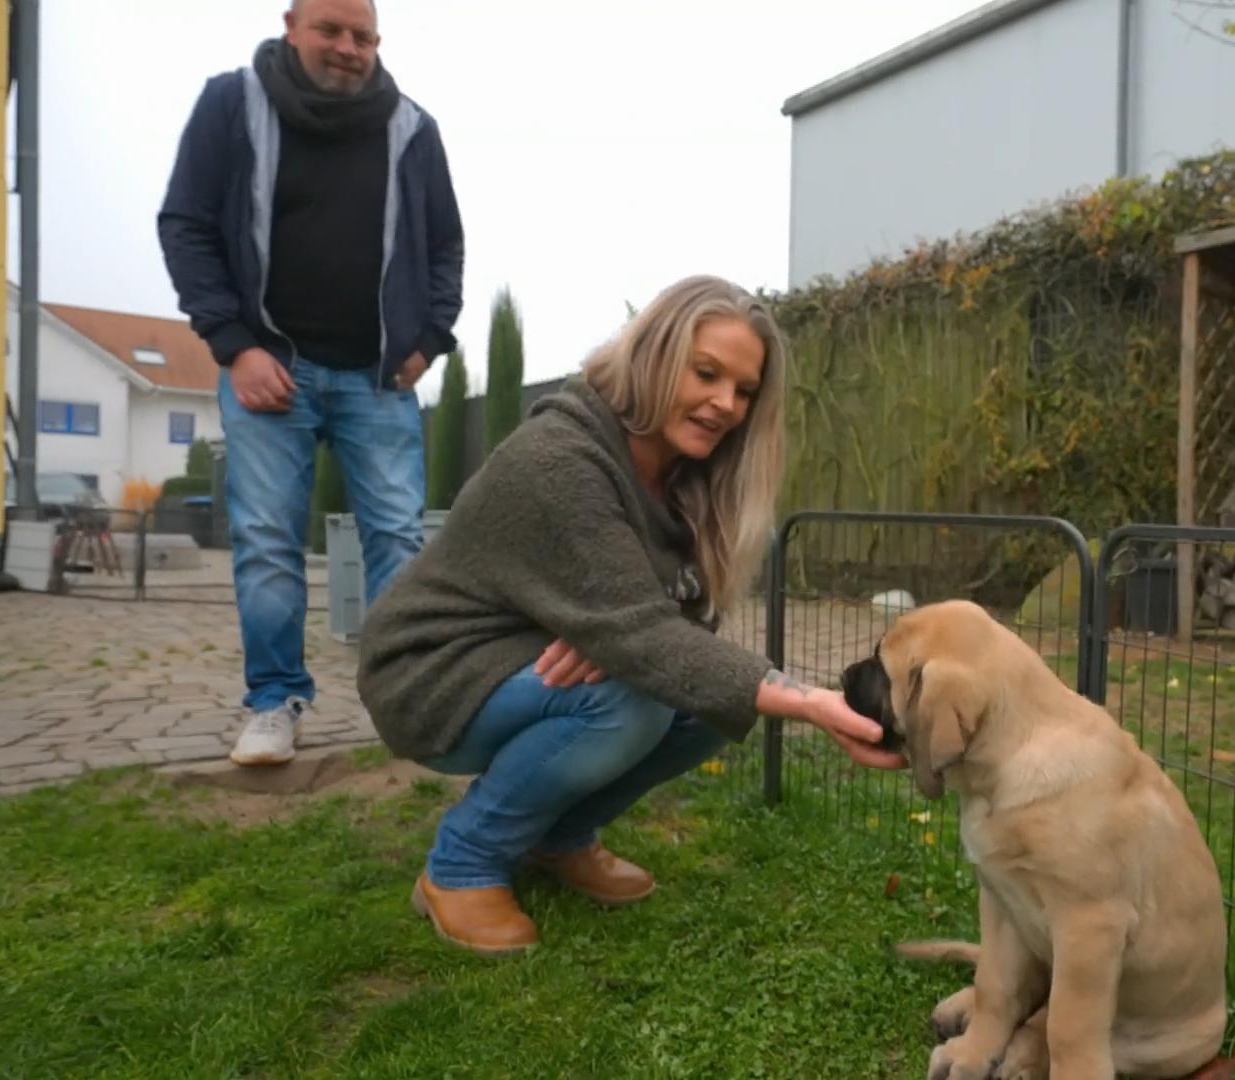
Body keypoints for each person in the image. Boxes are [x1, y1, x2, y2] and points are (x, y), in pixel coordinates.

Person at [356, 275, 905, 956]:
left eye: (743, 391)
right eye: (706, 373)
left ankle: (557, 839)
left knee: (708, 703)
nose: (725, 404)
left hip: (523, 658)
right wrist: (813, 703)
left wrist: (620, 635)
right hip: (431, 675)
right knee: (635, 697)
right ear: (654, 353)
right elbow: (649, 637)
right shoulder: (562, 458)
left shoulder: (684, 478)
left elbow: (674, 633)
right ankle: (461, 863)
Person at [156, 0, 464, 766]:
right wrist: (232, 345)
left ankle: (404, 702)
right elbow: (186, 224)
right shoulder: (231, 104)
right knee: (266, 541)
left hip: (379, 376)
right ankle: (274, 703)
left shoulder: (413, 128)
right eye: (331, 30)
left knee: (397, 536)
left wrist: (428, 340)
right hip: (269, 370)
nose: (348, 48)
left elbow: (446, 245)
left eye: (363, 36)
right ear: (291, 26)